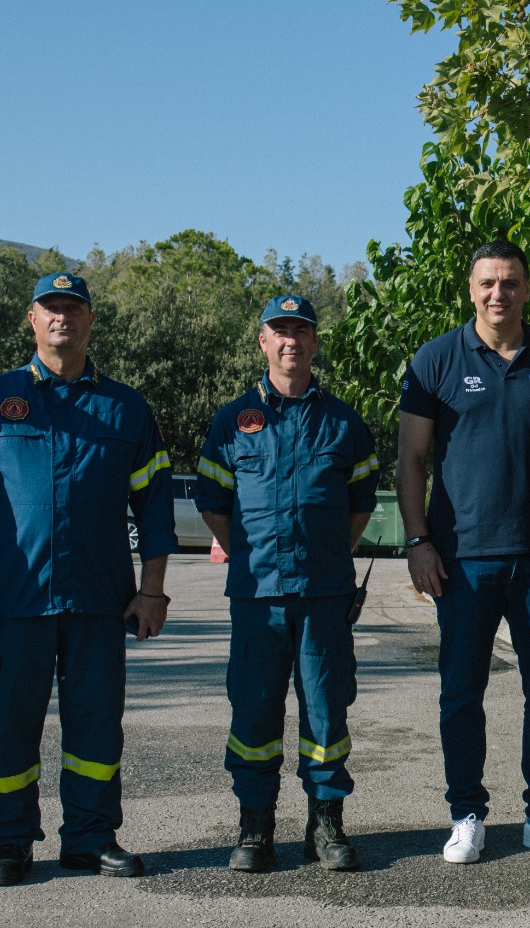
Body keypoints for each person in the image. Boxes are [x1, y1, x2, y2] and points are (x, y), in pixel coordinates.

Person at [0, 272, 176, 886]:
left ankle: (91, 838)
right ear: (32, 319)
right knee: (8, 726)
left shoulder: (125, 407)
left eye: (74, 308)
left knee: (96, 725)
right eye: (51, 308)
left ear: (91, 320)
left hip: (101, 600)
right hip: (12, 602)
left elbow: (153, 505)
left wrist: (152, 589)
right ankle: (9, 843)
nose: (62, 317)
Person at [397, 239, 530, 864]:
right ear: (470, 290)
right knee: (461, 693)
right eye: (487, 283)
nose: (498, 293)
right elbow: (412, 460)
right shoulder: (435, 361)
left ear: (527, 289)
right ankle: (466, 813)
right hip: (462, 558)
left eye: (509, 282)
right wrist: (419, 540)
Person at [195, 294, 379, 873]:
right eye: (280, 331)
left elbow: (358, 507)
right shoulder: (232, 421)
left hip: (325, 593)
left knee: (327, 712)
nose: (290, 340)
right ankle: (255, 827)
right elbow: (214, 505)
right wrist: (253, 554)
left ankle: (325, 823)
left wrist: (327, 557)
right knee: (253, 713)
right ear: (263, 341)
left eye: (301, 330)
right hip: (258, 594)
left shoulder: (344, 423)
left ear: (314, 342)